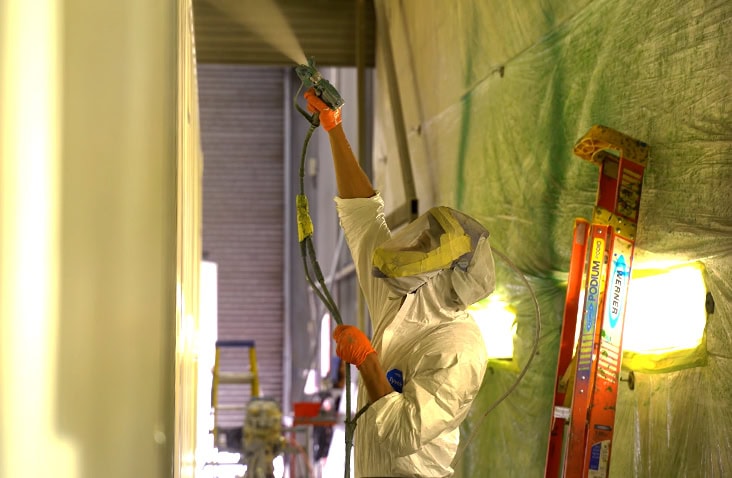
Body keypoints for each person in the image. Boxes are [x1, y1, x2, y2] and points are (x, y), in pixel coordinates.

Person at [304, 88, 496, 477]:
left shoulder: (460, 350)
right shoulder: (405, 296)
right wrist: (334, 128)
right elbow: (362, 219)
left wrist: (368, 362)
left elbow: (402, 429)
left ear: (447, 269)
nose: (415, 243)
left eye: (427, 244)